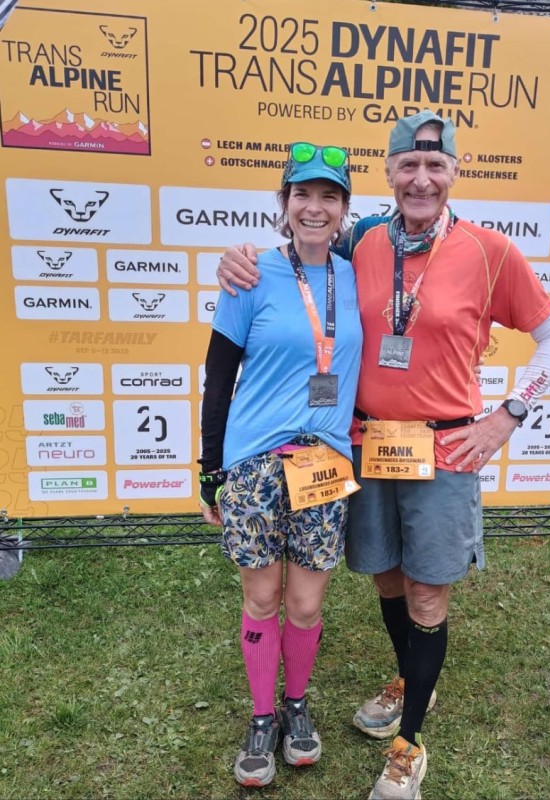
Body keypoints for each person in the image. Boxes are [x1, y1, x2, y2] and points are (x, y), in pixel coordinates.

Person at [217, 109, 550, 799]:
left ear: (452, 173)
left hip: (444, 451)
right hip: (364, 444)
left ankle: (409, 744)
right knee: (383, 575)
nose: (420, 178)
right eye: (407, 165)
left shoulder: (490, 250)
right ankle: (412, 680)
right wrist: (237, 260)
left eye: (434, 166)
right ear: (388, 172)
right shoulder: (361, 241)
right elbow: (298, 250)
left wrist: (507, 416)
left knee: (427, 593)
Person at [198, 141, 362, 787]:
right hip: (253, 466)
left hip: (323, 464)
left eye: (328, 196)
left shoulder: (359, 275)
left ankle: (297, 705)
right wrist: (210, 468)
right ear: (284, 204)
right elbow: (217, 377)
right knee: (261, 596)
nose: (314, 207)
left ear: (345, 209)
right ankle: (263, 715)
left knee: (303, 603)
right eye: (302, 194)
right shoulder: (250, 273)